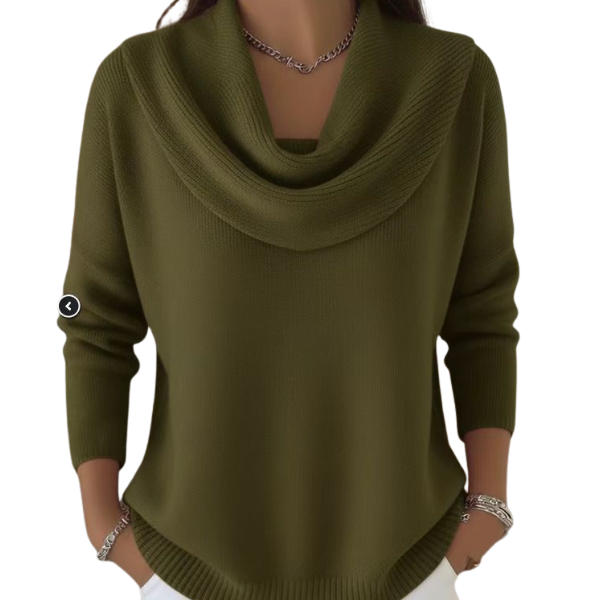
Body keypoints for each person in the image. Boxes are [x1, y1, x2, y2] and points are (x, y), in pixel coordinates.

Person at [56, 0, 520, 598]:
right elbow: (90, 316)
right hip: (186, 573)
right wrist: (105, 525)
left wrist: (486, 510)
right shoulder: (139, 87)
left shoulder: (453, 83)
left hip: (412, 570)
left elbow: (483, 308)